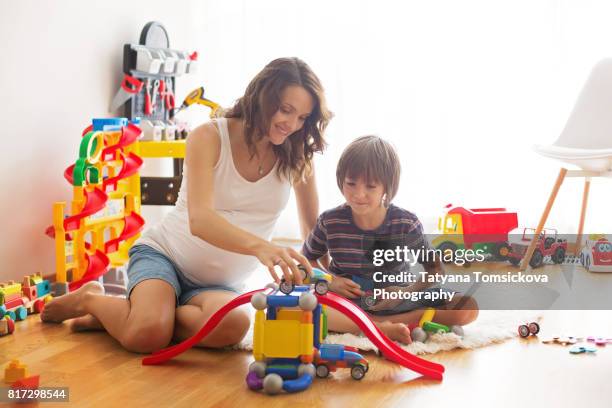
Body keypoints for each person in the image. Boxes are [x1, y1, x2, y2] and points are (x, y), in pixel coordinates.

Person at [42, 57, 333, 353]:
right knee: (146, 337)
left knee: (234, 325)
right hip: (166, 257)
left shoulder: (297, 157)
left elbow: (313, 232)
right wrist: (262, 247)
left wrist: (333, 276)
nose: (292, 125)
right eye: (286, 110)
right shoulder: (209, 136)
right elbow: (201, 220)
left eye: (302, 117)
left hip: (219, 285)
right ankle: (92, 299)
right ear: (262, 96)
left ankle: (138, 315)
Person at [302, 136, 478, 344]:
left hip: (398, 301)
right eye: (351, 183)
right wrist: (331, 281)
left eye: (370, 186)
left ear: (387, 187)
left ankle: (366, 325)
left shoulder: (406, 223)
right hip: (348, 302)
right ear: (341, 180)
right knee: (300, 303)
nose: (358, 194)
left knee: (468, 307)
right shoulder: (329, 221)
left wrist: (405, 291)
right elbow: (307, 262)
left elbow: (435, 270)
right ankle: (385, 326)